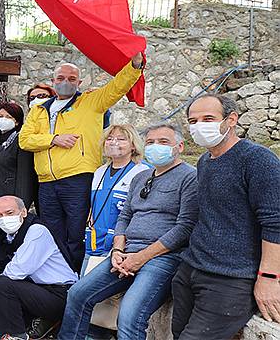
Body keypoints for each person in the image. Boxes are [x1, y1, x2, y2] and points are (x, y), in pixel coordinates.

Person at [58, 123, 198, 340]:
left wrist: (140, 258)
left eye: (163, 142)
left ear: (179, 146)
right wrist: (117, 251)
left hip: (162, 258)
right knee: (77, 294)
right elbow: (125, 216)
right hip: (126, 253)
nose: (155, 147)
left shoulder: (190, 177)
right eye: (150, 142)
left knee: (130, 316)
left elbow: (184, 228)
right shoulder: (141, 178)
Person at [19, 53, 144, 273]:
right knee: (52, 232)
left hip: (78, 177)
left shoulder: (91, 101)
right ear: (53, 80)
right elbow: (25, 140)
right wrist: (53, 140)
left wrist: (134, 66)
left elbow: (116, 87)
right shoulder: (38, 110)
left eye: (71, 78)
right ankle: (59, 276)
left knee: (76, 232)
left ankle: (75, 274)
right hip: (47, 181)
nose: (65, 82)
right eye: (60, 78)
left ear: (79, 82)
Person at [172, 94, 280, 339]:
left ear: (231, 119)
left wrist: (269, 278)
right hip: (191, 269)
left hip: (230, 280)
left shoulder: (257, 159)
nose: (199, 126)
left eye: (208, 118)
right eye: (193, 120)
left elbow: (275, 222)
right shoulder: (204, 161)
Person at [0, 196, 77, 340]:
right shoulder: (3, 237)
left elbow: (17, 271)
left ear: (23, 212)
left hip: (58, 294)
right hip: (31, 292)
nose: (4, 218)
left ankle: (14, 335)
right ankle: (38, 320)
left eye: (9, 213)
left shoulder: (37, 231)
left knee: (1, 284)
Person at [82, 124, 150, 273]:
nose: (114, 142)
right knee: (79, 292)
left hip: (121, 248)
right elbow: (92, 207)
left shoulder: (143, 171)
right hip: (94, 243)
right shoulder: (99, 172)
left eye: (121, 139)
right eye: (110, 139)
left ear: (133, 146)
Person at [0, 102, 36, 209]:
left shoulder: (20, 140)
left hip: (10, 196)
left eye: (9, 117)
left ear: (17, 121)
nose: (3, 119)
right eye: (0, 116)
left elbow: (25, 174)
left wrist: (22, 203)